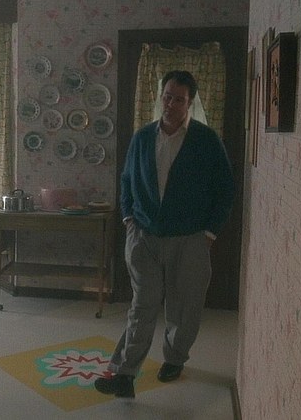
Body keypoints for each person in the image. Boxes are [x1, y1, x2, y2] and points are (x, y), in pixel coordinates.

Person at [94, 70, 235, 398]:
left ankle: (175, 357)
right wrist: (129, 218)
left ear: (190, 103)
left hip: (190, 239)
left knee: (184, 308)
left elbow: (225, 188)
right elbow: (127, 179)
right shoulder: (143, 137)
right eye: (167, 97)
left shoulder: (206, 140)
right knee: (142, 307)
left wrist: (210, 232)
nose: (170, 104)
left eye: (179, 100)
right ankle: (125, 374)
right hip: (144, 237)